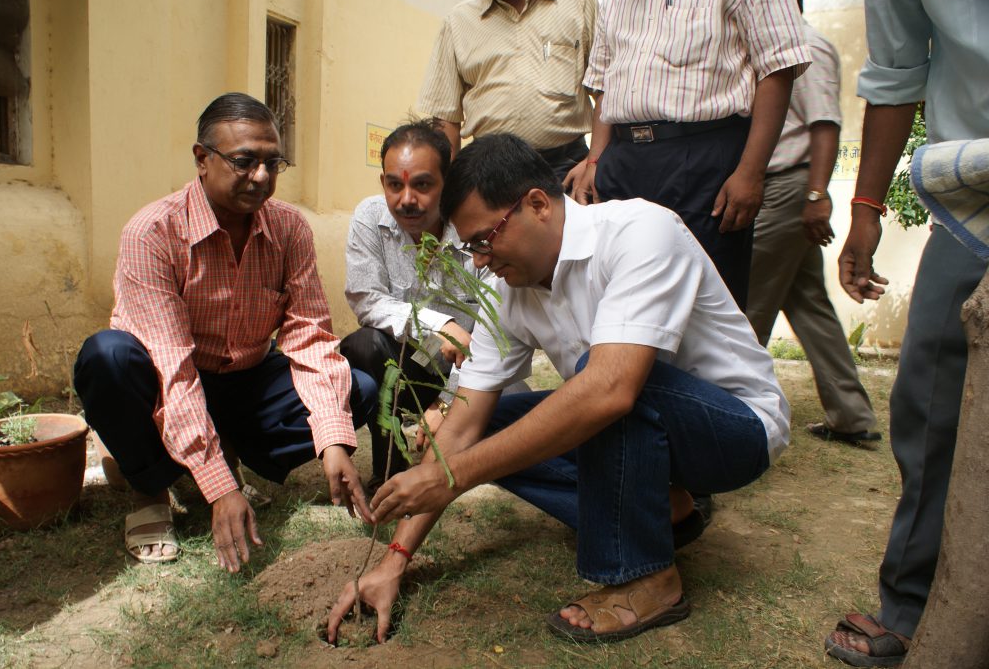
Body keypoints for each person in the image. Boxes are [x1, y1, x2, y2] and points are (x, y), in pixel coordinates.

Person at [327, 134, 790, 644]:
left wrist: (453, 474)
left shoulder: (640, 232)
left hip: (734, 431)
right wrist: (395, 559)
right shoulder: (510, 289)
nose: (478, 262)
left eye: (485, 240)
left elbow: (610, 390)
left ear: (538, 205)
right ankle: (669, 510)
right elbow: (460, 430)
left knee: (602, 378)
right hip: (645, 429)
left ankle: (650, 579)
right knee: (492, 425)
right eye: (471, 246)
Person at [73, 93, 376, 572]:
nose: (261, 177)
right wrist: (221, 490)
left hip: (247, 379)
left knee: (358, 389)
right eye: (244, 161)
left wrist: (333, 441)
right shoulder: (152, 233)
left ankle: (217, 453)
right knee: (107, 358)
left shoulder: (291, 228)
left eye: (272, 163)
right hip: (170, 378)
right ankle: (149, 486)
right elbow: (171, 367)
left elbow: (311, 335)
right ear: (201, 159)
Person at [825, 0, 989, 666]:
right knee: (929, 396)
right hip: (977, 183)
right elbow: (895, 71)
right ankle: (914, 602)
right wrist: (865, 206)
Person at [572, 0, 811, 310]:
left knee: (702, 307)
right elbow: (604, 83)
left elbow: (778, 67)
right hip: (622, 157)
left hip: (703, 159)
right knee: (620, 300)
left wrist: (751, 172)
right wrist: (595, 159)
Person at [746, 0, 880, 445]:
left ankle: (735, 418)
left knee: (747, 310)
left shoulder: (807, 47)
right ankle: (852, 417)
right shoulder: (773, 47)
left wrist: (816, 195)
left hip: (789, 188)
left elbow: (825, 124)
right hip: (785, 189)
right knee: (809, 305)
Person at [340, 120, 477, 490]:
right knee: (364, 344)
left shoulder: (472, 228)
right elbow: (366, 299)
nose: (406, 200)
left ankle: (456, 458)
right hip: (404, 358)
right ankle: (390, 462)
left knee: (514, 408)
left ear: (446, 183)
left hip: (468, 370)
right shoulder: (370, 218)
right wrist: (440, 324)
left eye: (422, 184)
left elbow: (491, 341)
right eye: (394, 184)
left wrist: (447, 402)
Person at [416, 0, 597, 183]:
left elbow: (609, 91)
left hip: (567, 170)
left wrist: (594, 161)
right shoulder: (458, 22)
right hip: (489, 174)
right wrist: (448, 194)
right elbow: (445, 120)